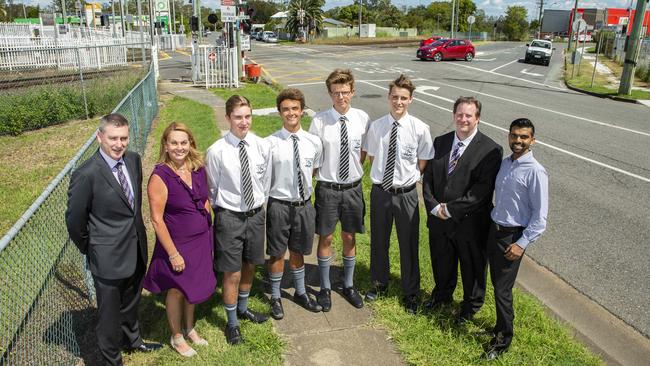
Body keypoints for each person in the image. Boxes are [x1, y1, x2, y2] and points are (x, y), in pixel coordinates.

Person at [65, 113, 161, 366]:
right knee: (108, 318)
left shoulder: (133, 160)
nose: (119, 144)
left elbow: (132, 207)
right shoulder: (86, 174)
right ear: (100, 137)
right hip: (107, 257)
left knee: (131, 303)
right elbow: (75, 221)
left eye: (124, 138)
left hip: (136, 248)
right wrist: (93, 247)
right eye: (113, 138)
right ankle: (111, 360)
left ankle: (133, 340)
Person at [422, 96, 503, 324]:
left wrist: (450, 210)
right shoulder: (440, 142)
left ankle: (470, 306)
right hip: (439, 220)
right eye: (459, 114)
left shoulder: (491, 150)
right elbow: (427, 178)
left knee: (472, 267)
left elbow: (481, 191)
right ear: (454, 115)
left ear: (477, 118)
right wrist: (434, 206)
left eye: (469, 115)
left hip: (470, 224)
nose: (463, 119)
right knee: (442, 261)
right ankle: (442, 296)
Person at [142, 122, 217, 357]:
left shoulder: (197, 169)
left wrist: (205, 226)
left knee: (192, 285)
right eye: (174, 142)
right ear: (165, 144)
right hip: (177, 244)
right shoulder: (160, 176)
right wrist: (173, 253)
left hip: (201, 240)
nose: (179, 147)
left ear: (190, 144)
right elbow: (156, 220)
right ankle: (176, 336)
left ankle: (189, 327)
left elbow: (205, 199)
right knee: (176, 289)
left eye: (184, 142)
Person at [364, 74, 434, 314]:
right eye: (395, 97)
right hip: (381, 192)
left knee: (408, 244)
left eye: (403, 98)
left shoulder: (420, 129)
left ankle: (410, 292)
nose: (398, 102)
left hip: (406, 195)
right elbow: (373, 157)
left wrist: (406, 180)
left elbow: (423, 161)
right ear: (388, 97)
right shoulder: (378, 126)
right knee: (379, 242)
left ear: (411, 99)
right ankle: (379, 283)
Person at [205, 95, 271, 345]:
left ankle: (243, 308)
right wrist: (226, 211)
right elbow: (212, 189)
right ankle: (232, 324)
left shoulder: (262, 146)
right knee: (231, 272)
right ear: (228, 118)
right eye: (238, 117)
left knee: (251, 264)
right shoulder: (217, 151)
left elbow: (264, 181)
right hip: (230, 217)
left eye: (247, 116)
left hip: (255, 215)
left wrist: (257, 205)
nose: (243, 122)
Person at [485, 118, 548, 360]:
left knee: (502, 289)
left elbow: (540, 217)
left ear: (533, 140)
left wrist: (521, 244)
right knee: (495, 284)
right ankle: (499, 326)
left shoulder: (536, 172)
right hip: (494, 229)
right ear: (509, 136)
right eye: (514, 136)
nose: (518, 141)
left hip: (512, 237)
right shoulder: (505, 164)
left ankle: (502, 340)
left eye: (524, 137)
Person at [309, 69, 369, 311]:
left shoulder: (363, 118)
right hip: (328, 188)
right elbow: (313, 155)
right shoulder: (320, 121)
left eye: (345, 92)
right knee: (327, 237)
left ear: (352, 92)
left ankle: (348, 284)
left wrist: (352, 173)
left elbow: (362, 153)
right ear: (330, 93)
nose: (341, 97)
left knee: (349, 236)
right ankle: (324, 287)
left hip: (352, 188)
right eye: (336, 93)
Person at [266, 88, 324, 319]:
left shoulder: (313, 142)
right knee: (277, 254)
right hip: (279, 205)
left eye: (295, 108)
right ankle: (276, 297)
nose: (291, 113)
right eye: (286, 109)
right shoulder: (270, 143)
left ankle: (300, 292)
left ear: (302, 111)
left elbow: (315, 169)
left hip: (303, 205)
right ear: (280, 112)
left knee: (298, 251)